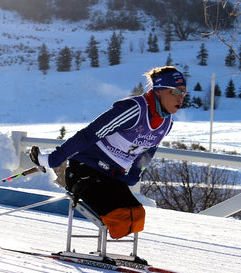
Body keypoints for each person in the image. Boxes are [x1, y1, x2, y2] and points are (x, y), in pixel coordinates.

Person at [30, 66, 187, 239]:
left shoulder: (167, 123)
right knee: (120, 218)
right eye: (176, 92)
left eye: (184, 93)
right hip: (86, 169)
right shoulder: (133, 110)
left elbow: (148, 152)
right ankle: (98, 253)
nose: (181, 98)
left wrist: (133, 176)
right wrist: (54, 159)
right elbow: (88, 134)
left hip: (113, 176)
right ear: (158, 91)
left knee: (137, 217)